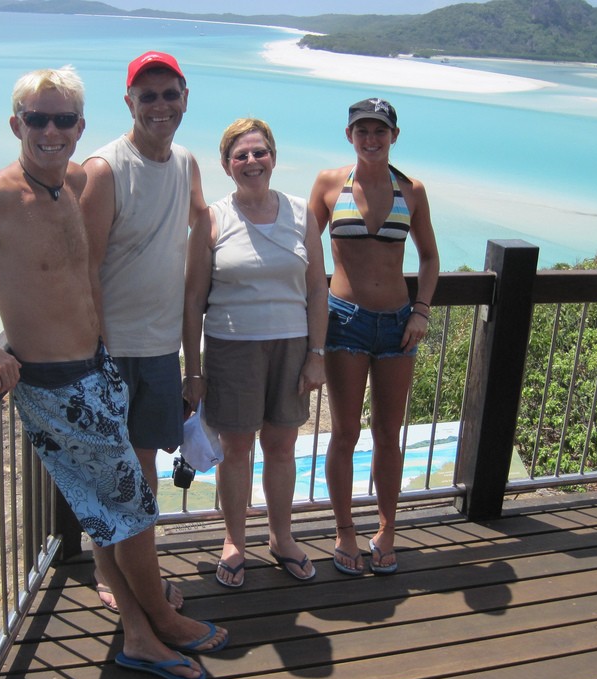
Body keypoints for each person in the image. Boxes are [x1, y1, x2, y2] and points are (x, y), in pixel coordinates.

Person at [0, 66, 226, 679]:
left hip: (96, 370)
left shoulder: (73, 183)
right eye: (37, 118)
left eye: (63, 119)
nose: (50, 130)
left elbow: (156, 212)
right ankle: (160, 624)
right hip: (55, 386)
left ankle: (140, 636)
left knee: (109, 513)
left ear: (81, 127)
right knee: (135, 512)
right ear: (15, 124)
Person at [80, 51, 205, 611]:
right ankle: (113, 575)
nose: (159, 105)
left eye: (169, 94)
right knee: (114, 472)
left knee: (145, 465)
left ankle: (139, 571)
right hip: (112, 351)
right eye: (147, 95)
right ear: (128, 102)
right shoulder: (105, 169)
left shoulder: (186, 163)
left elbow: (203, 224)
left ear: (185, 98)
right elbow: (85, 267)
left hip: (160, 347)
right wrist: (97, 354)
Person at [183, 118, 328, 588]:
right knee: (237, 448)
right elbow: (192, 300)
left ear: (273, 157)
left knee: (282, 446)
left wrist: (317, 353)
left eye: (259, 152)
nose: (251, 162)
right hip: (231, 347)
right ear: (227, 166)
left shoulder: (301, 214)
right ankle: (234, 541)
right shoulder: (212, 218)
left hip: (291, 345)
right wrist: (194, 369)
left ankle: (281, 537)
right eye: (240, 155)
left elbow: (316, 292)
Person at [309, 97, 440, 576]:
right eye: (362, 130)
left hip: (396, 324)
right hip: (344, 321)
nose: (371, 138)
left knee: (389, 432)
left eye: (379, 131)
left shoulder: (412, 190)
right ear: (349, 135)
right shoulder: (328, 183)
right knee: (345, 431)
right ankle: (344, 531)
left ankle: (386, 529)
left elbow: (429, 257)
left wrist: (421, 311)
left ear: (394, 136)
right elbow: (306, 252)